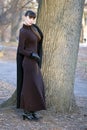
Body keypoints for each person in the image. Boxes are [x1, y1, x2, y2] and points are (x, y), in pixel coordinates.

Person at [16, 10, 46, 121]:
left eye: (33, 18)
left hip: (35, 62)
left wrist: (37, 56)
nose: (31, 20)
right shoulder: (23, 31)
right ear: (25, 17)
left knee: (36, 86)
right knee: (28, 87)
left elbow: (39, 42)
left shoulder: (34, 29)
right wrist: (32, 54)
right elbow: (20, 49)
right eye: (30, 17)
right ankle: (26, 112)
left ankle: (32, 111)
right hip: (28, 62)